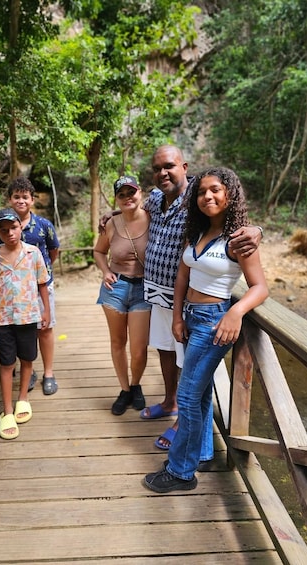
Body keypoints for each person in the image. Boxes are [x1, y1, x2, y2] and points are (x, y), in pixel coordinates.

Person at [101, 145, 262, 452]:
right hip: (157, 293)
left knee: (186, 362)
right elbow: (133, 209)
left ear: (184, 166)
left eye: (169, 166)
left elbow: (233, 215)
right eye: (157, 168)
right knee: (164, 349)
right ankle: (170, 401)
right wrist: (112, 214)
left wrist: (257, 229)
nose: (163, 172)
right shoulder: (156, 198)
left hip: (190, 300)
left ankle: (181, 424)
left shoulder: (198, 197)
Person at [143, 166, 269, 492]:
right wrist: (176, 316)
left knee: (186, 397)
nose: (207, 196)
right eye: (201, 191)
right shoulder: (197, 232)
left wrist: (236, 311)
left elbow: (259, 287)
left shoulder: (238, 238)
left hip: (214, 322)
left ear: (230, 194)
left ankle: (180, 472)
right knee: (197, 397)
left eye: (215, 190)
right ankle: (200, 453)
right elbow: (183, 275)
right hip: (190, 317)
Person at [0, 176, 60, 395]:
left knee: (44, 328)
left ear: (32, 200)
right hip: (14, 291)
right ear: (10, 200)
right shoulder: (5, 225)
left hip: (41, 284)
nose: (21, 201)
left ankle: (49, 373)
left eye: (25, 197)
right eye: (16, 197)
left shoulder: (44, 225)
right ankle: (31, 370)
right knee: (23, 329)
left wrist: (39, 272)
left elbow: (53, 251)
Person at [0, 208, 50, 440]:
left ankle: (22, 399)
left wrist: (45, 311)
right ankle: (7, 411)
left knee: (27, 360)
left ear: (20, 227)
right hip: (4, 319)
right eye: (3, 230)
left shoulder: (33, 253)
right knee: (6, 364)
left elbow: (42, 283)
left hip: (28, 316)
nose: (10, 233)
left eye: (13, 228)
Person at [94, 176, 151, 415]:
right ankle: (125, 389)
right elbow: (98, 251)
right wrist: (105, 271)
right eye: (122, 194)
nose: (128, 198)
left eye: (132, 192)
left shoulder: (154, 218)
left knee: (139, 349)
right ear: (117, 199)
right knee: (118, 342)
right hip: (115, 288)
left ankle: (136, 384)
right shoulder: (111, 223)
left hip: (143, 289)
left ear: (141, 194)